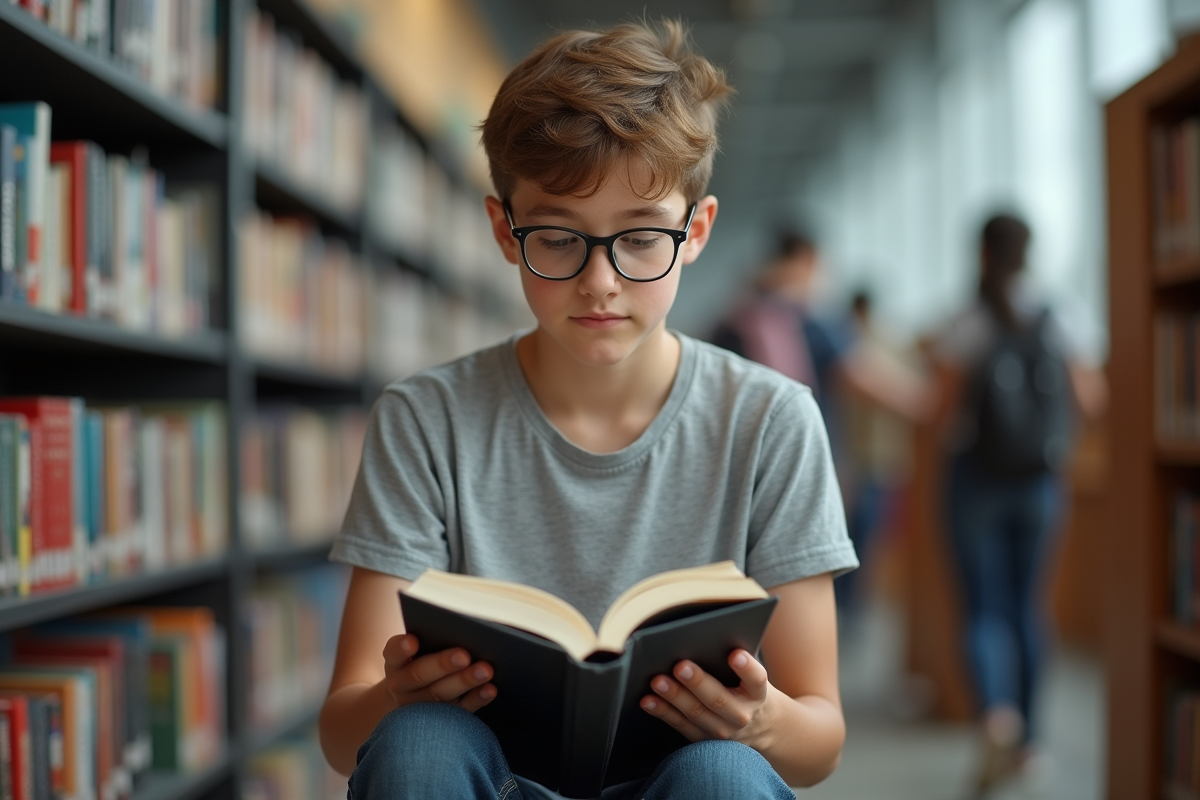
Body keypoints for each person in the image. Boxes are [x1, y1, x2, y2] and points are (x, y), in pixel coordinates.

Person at [317, 19, 860, 800]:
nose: (600, 281)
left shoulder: (772, 420)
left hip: (681, 785)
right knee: (417, 742)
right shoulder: (426, 418)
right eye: (559, 239)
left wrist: (758, 720)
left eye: (641, 239)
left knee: (725, 774)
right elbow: (342, 738)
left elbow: (819, 744)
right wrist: (393, 696)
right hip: (489, 782)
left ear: (695, 230)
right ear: (505, 232)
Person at [928, 213, 1107, 794]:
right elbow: (1091, 398)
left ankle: (996, 716)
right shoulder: (1063, 314)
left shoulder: (967, 321)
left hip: (975, 477)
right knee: (1029, 608)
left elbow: (943, 414)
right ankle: (1030, 744)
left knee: (983, 608)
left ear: (981, 253)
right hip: (1041, 480)